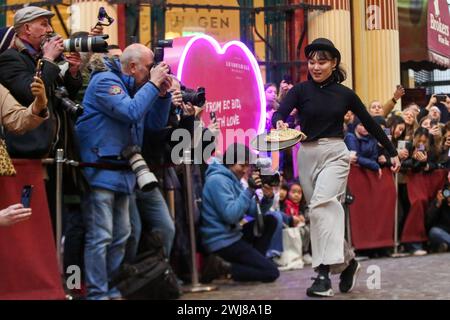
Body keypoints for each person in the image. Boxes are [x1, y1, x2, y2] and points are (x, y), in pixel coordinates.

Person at [272, 38, 400, 297]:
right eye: (312, 62)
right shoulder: (300, 90)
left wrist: (392, 151)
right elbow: (279, 114)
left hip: (336, 154)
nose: (315, 67)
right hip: (306, 153)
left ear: (334, 63)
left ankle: (321, 274)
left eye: (322, 62)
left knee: (322, 205)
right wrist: (278, 124)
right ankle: (348, 262)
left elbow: (372, 124)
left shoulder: (345, 94)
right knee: (320, 213)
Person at [75, 43, 172, 300]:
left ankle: (111, 286)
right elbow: (130, 112)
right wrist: (152, 86)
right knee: (101, 235)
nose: (154, 71)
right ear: (132, 67)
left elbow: (154, 125)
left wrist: (162, 96)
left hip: (123, 171)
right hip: (100, 169)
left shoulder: (136, 88)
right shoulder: (105, 82)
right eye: (149, 67)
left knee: (121, 234)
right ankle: (97, 292)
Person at [200, 143, 280, 283]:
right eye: (242, 165)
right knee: (271, 272)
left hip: (233, 234)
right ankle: (223, 268)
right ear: (230, 162)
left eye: (247, 166)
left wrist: (267, 198)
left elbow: (253, 212)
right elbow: (231, 216)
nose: (245, 170)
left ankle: (255, 263)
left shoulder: (233, 180)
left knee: (270, 221)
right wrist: (249, 191)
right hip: (221, 241)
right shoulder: (217, 181)